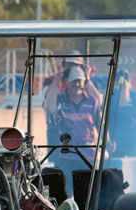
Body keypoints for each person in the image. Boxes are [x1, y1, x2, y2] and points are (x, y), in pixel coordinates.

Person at [43, 64, 104, 196]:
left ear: (84, 82)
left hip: (88, 155)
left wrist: (107, 141)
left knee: (86, 195)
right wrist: (58, 78)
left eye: (79, 81)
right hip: (66, 155)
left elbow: (100, 123)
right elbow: (49, 107)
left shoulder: (92, 101)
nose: (76, 84)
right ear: (67, 82)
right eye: (73, 81)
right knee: (65, 194)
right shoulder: (60, 99)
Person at [107, 69, 136, 158]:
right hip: (135, 139)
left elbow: (105, 119)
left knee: (116, 166)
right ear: (129, 81)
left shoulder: (111, 97)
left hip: (117, 141)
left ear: (115, 82)